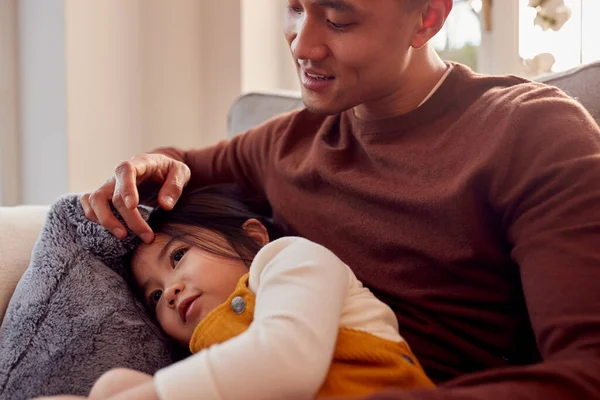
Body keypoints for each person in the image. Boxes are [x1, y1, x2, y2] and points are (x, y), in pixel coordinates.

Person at [81, 0, 600, 399]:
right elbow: (180, 166)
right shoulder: (284, 143)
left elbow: (588, 370)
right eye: (295, 8)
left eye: (338, 19)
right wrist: (149, 165)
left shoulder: (530, 131)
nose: (302, 45)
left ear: (428, 17)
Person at [65, 184, 433, 400]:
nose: (171, 291)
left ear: (253, 238)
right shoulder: (203, 360)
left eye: (178, 256)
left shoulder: (289, 259)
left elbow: (288, 359)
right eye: (155, 297)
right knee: (113, 384)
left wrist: (155, 394)